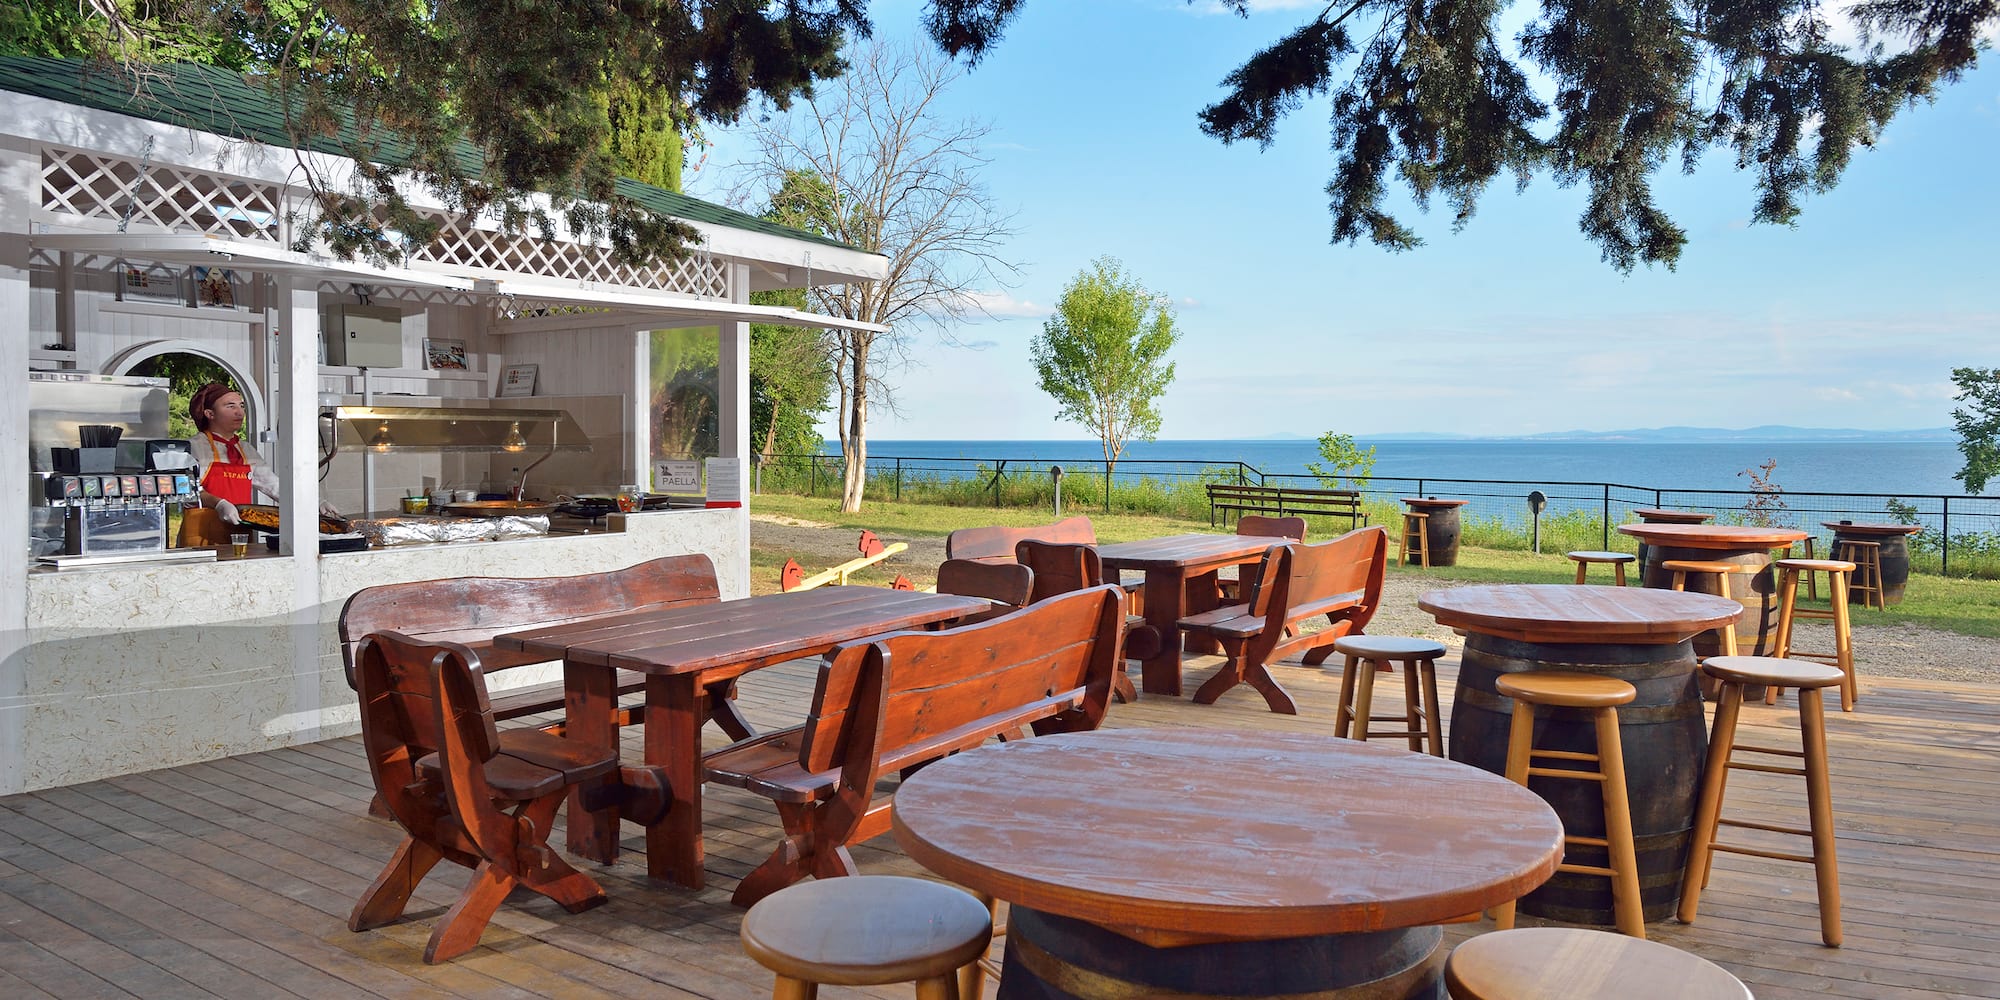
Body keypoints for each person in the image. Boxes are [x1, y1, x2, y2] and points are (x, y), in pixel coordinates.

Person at [178, 382, 339, 547]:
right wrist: (219, 504)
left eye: (241, 406)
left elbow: (274, 485)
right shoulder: (194, 447)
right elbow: (186, 490)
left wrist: (315, 502)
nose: (239, 412)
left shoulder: (245, 449)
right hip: (200, 534)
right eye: (230, 406)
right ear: (209, 414)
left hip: (239, 535)